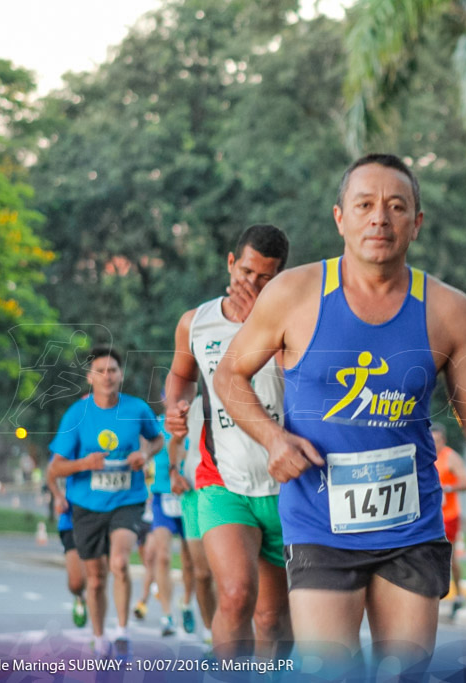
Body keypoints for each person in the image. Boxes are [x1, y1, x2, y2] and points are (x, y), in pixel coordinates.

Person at [213, 154, 466, 676]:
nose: (379, 218)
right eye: (365, 205)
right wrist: (273, 439)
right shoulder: (292, 294)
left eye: (395, 206)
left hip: (411, 526)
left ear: (416, 223)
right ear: (341, 218)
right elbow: (229, 376)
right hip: (319, 520)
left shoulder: (450, 311)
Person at [164, 224, 292, 661]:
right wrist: (176, 408)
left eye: (266, 278)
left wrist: (266, 321)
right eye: (248, 272)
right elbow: (180, 377)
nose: (253, 284)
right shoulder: (196, 323)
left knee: (273, 620)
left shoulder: (295, 322)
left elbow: (307, 381)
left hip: (286, 487)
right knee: (236, 595)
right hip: (222, 480)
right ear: (231, 263)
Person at [47, 346, 164, 658]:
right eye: (101, 370)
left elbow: (158, 438)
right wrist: (85, 464)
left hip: (128, 498)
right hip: (86, 504)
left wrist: (145, 454)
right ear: (90, 377)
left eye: (113, 370)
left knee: (119, 563)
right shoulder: (77, 414)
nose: (107, 376)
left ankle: (122, 632)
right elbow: (55, 468)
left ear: (120, 374)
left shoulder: (137, 408)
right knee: (95, 579)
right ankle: (99, 638)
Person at [170, 395, 217, 645]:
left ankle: (227, 635)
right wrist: (173, 471)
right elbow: (175, 442)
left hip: (227, 489)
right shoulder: (195, 404)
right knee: (202, 573)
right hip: (193, 494)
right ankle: (210, 632)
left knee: (225, 573)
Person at [145, 418, 197, 638]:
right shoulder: (155, 425)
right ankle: (167, 615)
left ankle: (186, 603)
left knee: (189, 559)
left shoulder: (195, 419)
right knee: (163, 556)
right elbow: (145, 452)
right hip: (161, 497)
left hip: (188, 494)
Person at [431, 423, 466, 616]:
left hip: (448, 515)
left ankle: (458, 594)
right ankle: (430, 596)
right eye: (431, 441)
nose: (434, 446)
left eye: (438, 442)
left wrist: (446, 487)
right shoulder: (423, 454)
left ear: (444, 441)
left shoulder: (450, 457)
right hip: (428, 515)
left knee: (450, 558)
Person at [46, 455, 88, 628]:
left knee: (96, 577)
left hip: (104, 516)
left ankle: (100, 636)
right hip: (71, 519)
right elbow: (52, 472)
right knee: (76, 582)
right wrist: (57, 496)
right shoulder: (71, 439)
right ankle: (79, 595)